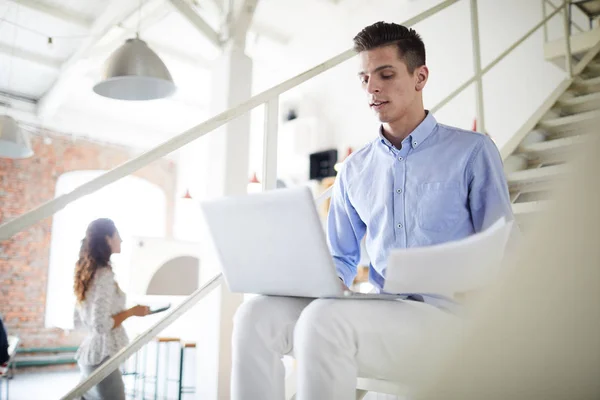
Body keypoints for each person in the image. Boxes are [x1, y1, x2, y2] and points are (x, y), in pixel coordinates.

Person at [230, 22, 514, 400]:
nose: (372, 87)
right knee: (254, 316)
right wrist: (311, 279)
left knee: (325, 320)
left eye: (385, 74)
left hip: (449, 321)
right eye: (364, 78)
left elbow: (503, 251)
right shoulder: (353, 169)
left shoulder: (472, 152)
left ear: (420, 76)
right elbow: (340, 258)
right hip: (383, 313)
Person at [73, 218, 150, 400]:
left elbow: (80, 320)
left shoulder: (89, 272)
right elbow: (101, 325)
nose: (121, 240)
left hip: (91, 357)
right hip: (101, 359)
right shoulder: (104, 274)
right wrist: (132, 312)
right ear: (108, 239)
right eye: (118, 236)